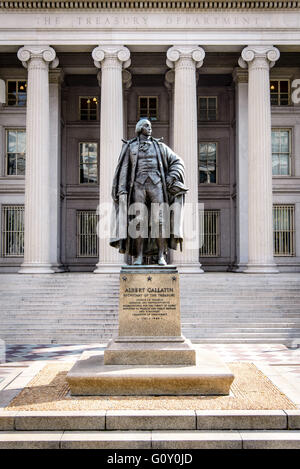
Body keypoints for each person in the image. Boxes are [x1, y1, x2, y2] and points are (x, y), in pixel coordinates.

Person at [110, 119, 188, 265]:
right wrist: (121, 190)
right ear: (139, 128)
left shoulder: (160, 147)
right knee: (138, 222)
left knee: (159, 221)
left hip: (157, 186)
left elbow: (178, 161)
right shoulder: (130, 147)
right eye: (146, 126)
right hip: (138, 186)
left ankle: (160, 256)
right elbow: (124, 169)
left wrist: (171, 176)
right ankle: (138, 256)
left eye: (150, 126)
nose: (150, 128)